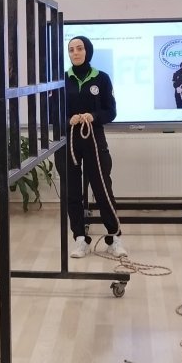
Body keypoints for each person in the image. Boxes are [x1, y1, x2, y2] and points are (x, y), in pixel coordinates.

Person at [65, 35, 128, 259]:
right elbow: (52, 113)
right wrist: (68, 119)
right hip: (70, 141)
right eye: (71, 49)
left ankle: (114, 238)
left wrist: (93, 116)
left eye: (80, 48)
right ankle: (80, 239)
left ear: (88, 51)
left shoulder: (101, 78)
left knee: (102, 189)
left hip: (94, 139)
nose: (75, 53)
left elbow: (111, 111)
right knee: (73, 192)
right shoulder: (63, 80)